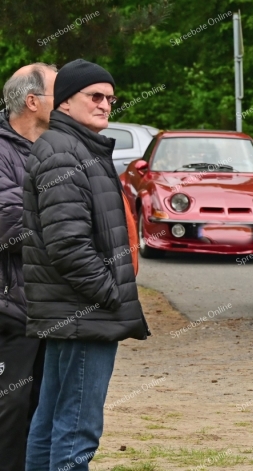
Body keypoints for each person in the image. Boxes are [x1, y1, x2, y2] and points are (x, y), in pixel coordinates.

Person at [23, 59, 149, 471]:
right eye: (94, 96)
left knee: (52, 419)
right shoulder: (64, 152)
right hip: (82, 313)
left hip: (74, 312)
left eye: (110, 98)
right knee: (76, 429)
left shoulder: (76, 147)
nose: (105, 105)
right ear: (64, 103)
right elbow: (68, 245)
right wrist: (109, 295)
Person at [0, 62, 56, 471]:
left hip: (54, 309)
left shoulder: (59, 147)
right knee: (11, 408)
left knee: (46, 408)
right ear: (32, 100)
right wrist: (64, 220)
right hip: (10, 311)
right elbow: (6, 223)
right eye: (60, 92)